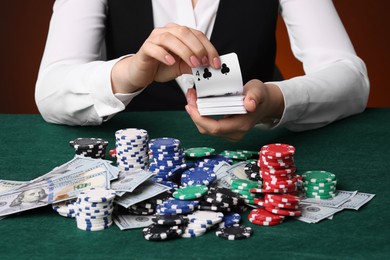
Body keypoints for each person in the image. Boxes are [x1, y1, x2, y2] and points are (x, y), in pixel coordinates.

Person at [35, 0, 369, 141]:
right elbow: (51, 90)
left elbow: (350, 77)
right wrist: (131, 72)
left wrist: (274, 100)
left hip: (254, 151)